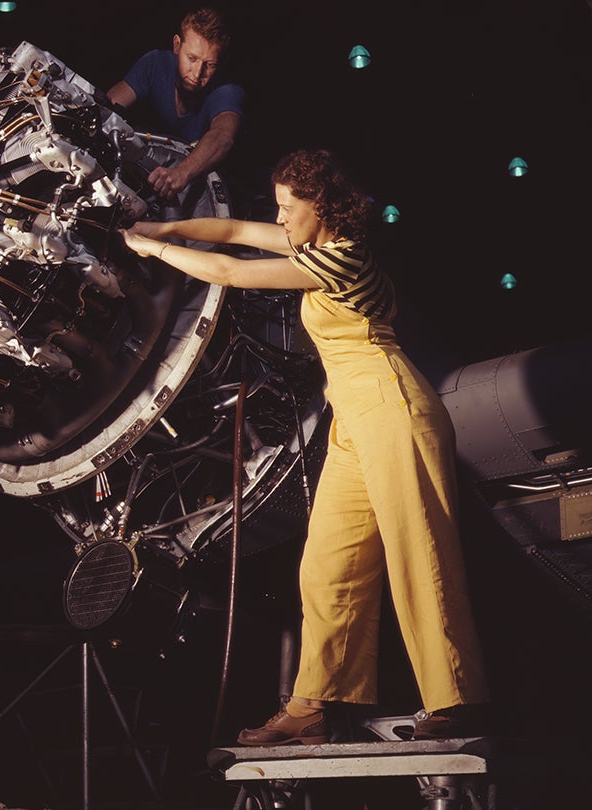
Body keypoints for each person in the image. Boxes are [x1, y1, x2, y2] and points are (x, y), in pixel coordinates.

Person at [121, 148, 491, 744]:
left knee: (418, 550)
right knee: (326, 565)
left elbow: (232, 271)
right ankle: (311, 707)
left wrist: (153, 251)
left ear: (320, 207)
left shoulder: (342, 257)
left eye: (288, 207)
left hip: (391, 403)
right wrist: (164, 227)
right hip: (353, 415)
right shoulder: (311, 244)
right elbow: (234, 233)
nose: (279, 217)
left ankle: (457, 698)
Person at [106, 6, 244, 201]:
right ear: (177, 45)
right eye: (192, 58)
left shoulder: (228, 90)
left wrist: (181, 172)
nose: (197, 74)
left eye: (210, 65)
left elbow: (222, 136)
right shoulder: (154, 63)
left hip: (203, 190)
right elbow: (107, 108)